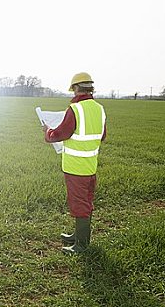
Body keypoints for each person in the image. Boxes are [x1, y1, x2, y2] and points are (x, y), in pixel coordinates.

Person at [42, 72, 107, 254]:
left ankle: (81, 245)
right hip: (90, 166)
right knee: (86, 201)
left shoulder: (75, 109)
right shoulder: (99, 109)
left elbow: (60, 134)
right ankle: (78, 236)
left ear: (76, 89)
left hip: (75, 167)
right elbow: (102, 136)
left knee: (79, 203)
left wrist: (48, 131)